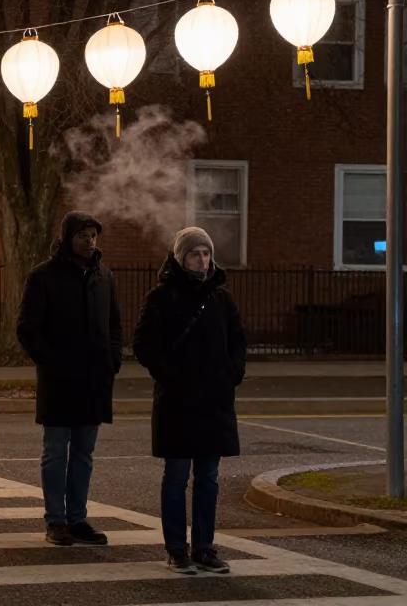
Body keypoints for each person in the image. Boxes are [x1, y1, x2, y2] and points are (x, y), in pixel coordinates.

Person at [133, 227, 246, 576]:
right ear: (181, 258)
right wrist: (172, 377)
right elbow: (144, 346)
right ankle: (176, 549)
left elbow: (237, 342)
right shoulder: (163, 297)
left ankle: (204, 548)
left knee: (209, 477)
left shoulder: (221, 299)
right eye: (194, 253)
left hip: (213, 401)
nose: (201, 259)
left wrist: (231, 375)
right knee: (177, 476)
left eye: (206, 253)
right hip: (178, 402)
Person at [16, 211, 121, 547]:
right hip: (60, 380)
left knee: (84, 453)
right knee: (56, 451)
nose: (89, 242)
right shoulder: (44, 276)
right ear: (68, 238)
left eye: (93, 236)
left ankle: (78, 518)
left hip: (93, 379)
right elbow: (28, 329)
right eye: (82, 236)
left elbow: (115, 325)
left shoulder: (104, 276)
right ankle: (56, 520)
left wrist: (111, 362)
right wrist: (52, 364)